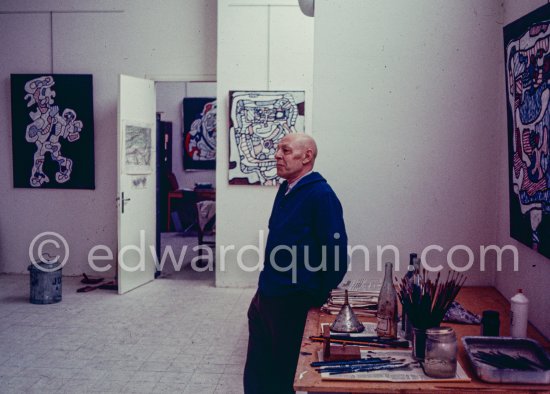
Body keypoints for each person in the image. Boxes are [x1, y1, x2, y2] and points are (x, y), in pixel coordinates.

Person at [243, 133, 349, 394]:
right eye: (278, 149)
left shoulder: (321, 195)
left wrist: (311, 294)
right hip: (268, 295)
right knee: (257, 374)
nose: (277, 155)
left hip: (292, 302)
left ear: (307, 156)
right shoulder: (287, 188)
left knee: (280, 377)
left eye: (286, 150)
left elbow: (336, 256)